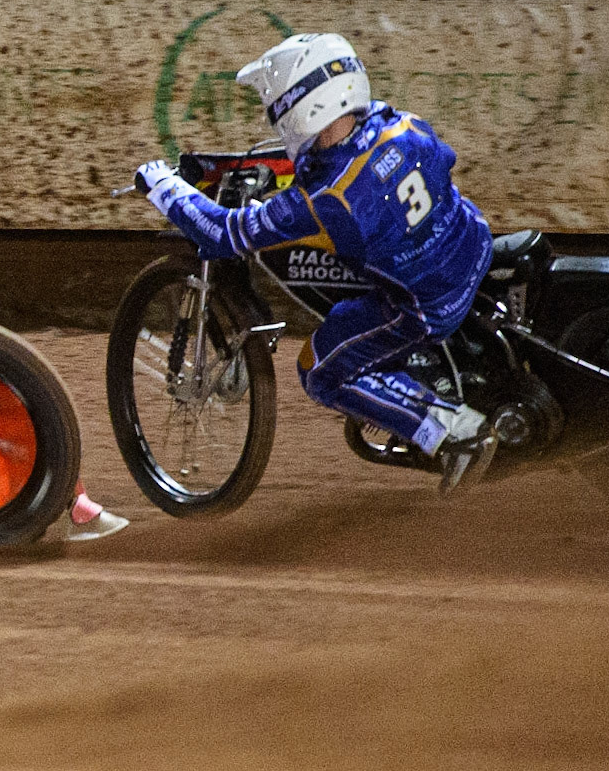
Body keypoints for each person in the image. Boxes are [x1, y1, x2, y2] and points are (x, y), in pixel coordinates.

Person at [134, 33, 499, 494]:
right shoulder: (398, 123)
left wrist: (161, 184)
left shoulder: (327, 202)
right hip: (473, 244)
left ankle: (455, 432)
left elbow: (224, 233)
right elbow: (339, 158)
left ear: (302, 108)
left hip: (426, 307)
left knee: (320, 368)